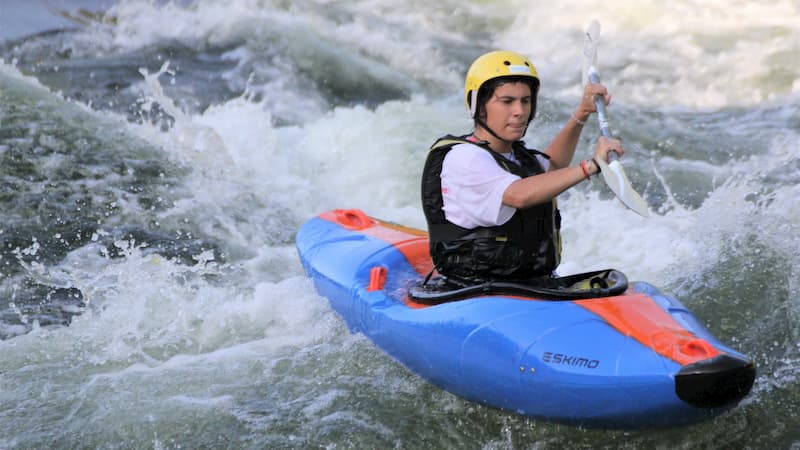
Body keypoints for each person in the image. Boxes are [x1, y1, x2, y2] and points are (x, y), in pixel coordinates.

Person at [421, 50, 624, 285]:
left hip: (528, 284)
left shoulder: (515, 156)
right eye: (507, 101)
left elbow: (553, 169)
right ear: (477, 105)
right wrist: (592, 165)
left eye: (525, 101)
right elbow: (518, 195)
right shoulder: (465, 158)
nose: (520, 111)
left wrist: (582, 113)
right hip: (473, 288)